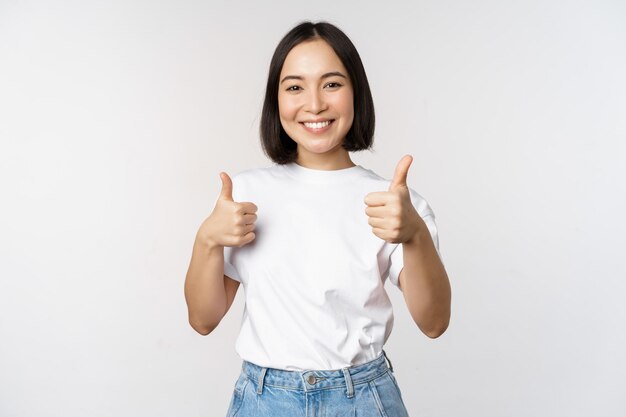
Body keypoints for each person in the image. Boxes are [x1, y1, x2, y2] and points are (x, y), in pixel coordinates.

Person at [184, 20, 451, 416]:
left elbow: (434, 322)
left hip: (362, 399)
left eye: (332, 84)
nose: (314, 104)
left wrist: (415, 235)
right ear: (276, 101)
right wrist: (206, 240)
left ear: (356, 92)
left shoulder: (394, 203)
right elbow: (203, 319)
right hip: (265, 400)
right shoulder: (245, 195)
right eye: (294, 87)